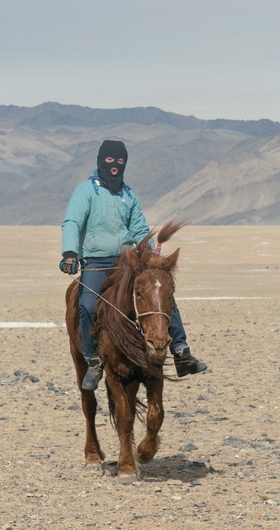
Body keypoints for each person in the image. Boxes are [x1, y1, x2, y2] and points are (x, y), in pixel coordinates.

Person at [60, 139, 208, 390]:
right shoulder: (86, 191)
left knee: (160, 297)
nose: (114, 165)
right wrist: (70, 253)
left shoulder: (129, 195)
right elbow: (72, 222)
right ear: (100, 161)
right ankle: (93, 360)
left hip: (127, 261)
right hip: (96, 260)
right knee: (86, 304)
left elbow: (140, 228)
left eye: (120, 161)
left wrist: (149, 254)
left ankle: (181, 351)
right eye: (109, 160)